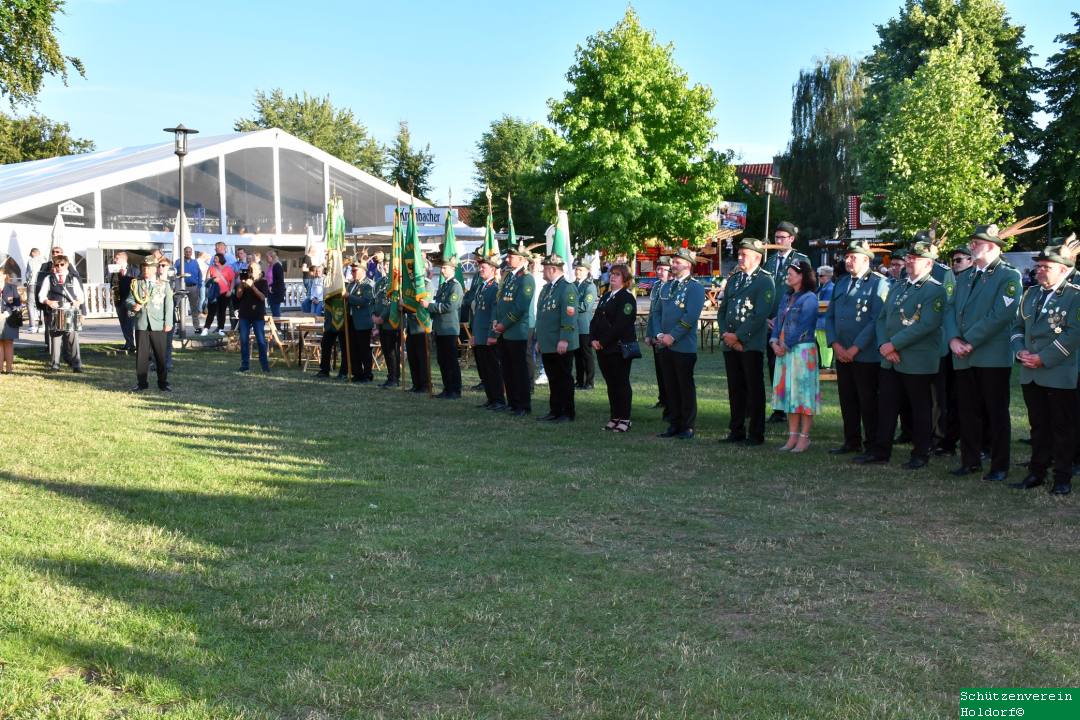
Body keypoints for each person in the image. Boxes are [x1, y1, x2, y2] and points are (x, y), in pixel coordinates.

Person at [854, 236, 947, 469]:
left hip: (917, 359)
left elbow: (927, 324)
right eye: (909, 257)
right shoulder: (898, 286)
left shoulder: (934, 290)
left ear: (929, 263)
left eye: (915, 258)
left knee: (919, 408)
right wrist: (885, 346)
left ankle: (920, 453)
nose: (909, 261)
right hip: (890, 358)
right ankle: (880, 451)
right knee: (886, 406)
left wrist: (893, 344)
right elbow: (882, 319)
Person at [944, 223, 1024, 482]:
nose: (971, 246)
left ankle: (999, 465)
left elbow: (1002, 315)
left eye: (976, 243)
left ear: (991, 246)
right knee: (968, 411)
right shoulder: (965, 276)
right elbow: (950, 309)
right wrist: (953, 339)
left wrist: (968, 340)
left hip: (991, 356)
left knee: (995, 412)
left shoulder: (1008, 276)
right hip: (963, 355)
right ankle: (970, 461)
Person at [1008, 238, 1080, 496]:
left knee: (1063, 427)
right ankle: (1036, 472)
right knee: (1038, 426)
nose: (1039, 270)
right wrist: (1020, 351)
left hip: (1058, 372)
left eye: (1046, 267)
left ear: (1063, 269)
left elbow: (1074, 334)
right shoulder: (1031, 294)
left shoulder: (1075, 295)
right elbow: (1017, 326)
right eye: (1038, 266)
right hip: (1031, 372)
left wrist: (1043, 358)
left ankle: (1062, 477)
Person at [824, 240, 890, 455]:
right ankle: (851, 441)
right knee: (847, 399)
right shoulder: (841, 282)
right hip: (841, 352)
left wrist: (855, 348)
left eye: (853, 257)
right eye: (847, 257)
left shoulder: (879, 283)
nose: (848, 261)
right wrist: (835, 344)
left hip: (866, 355)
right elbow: (830, 316)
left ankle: (872, 444)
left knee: (868, 401)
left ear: (866, 260)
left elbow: (876, 320)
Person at [718, 239, 774, 446]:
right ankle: (736, 430)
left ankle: (756, 434)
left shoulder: (765, 280)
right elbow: (723, 310)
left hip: (750, 344)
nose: (740, 258)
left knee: (754, 389)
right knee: (735, 388)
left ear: (757, 258)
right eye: (739, 254)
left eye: (744, 255)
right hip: (731, 343)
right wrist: (726, 335)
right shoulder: (734, 279)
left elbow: (760, 314)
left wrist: (739, 337)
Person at [770, 260, 821, 453]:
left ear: (801, 276)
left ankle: (804, 437)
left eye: (791, 273)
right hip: (784, 351)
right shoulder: (786, 297)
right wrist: (774, 342)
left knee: (803, 395)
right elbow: (778, 322)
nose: (788, 276)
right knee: (789, 394)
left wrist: (785, 344)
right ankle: (792, 436)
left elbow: (804, 326)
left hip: (802, 352)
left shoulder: (810, 298)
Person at [763, 221, 810, 424]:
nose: (778, 241)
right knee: (773, 364)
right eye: (776, 237)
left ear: (791, 239)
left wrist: (784, 317)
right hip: (770, 323)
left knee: (790, 366)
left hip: (790, 322)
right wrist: (766, 317)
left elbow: (806, 291)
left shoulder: (801, 260)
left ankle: (792, 406)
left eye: (782, 237)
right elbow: (765, 291)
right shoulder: (770, 261)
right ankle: (779, 408)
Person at [656, 248, 705, 439]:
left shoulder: (695, 287)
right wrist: (659, 334)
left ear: (688, 265)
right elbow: (656, 312)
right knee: (670, 386)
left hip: (683, 346)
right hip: (664, 344)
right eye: (673, 262)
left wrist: (673, 336)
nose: (673, 265)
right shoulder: (666, 287)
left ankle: (687, 426)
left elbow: (691, 316)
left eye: (677, 262)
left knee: (685, 387)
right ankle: (674, 423)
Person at [590, 263, 638, 432]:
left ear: (625, 279)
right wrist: (592, 338)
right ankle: (615, 417)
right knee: (611, 384)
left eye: (617, 274)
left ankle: (625, 419)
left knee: (621, 383)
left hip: (617, 348)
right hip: (603, 348)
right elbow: (596, 319)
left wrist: (602, 341)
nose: (613, 277)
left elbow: (621, 325)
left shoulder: (627, 298)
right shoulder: (606, 296)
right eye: (612, 274)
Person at [490, 242, 535, 416]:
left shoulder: (526, 278)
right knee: (507, 368)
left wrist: (504, 324)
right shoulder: (509, 276)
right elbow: (501, 301)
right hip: (504, 330)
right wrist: (497, 321)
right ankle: (513, 402)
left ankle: (523, 405)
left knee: (519, 370)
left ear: (522, 259)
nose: (508, 259)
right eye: (508, 256)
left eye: (511, 257)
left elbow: (520, 307)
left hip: (516, 331)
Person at [534, 254, 579, 422]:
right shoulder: (547, 289)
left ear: (553, 269)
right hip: (548, 342)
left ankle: (567, 412)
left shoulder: (567, 288)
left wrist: (564, 339)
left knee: (563, 378)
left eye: (544, 268)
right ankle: (555, 410)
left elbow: (569, 316)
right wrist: (540, 339)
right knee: (553, 378)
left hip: (560, 342)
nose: (542, 271)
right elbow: (542, 316)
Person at [127, 256, 173, 391]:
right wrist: (133, 305)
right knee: (141, 356)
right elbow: (128, 299)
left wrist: (168, 322)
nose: (146, 270)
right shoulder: (137, 283)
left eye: (149, 267)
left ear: (155, 269)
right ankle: (142, 383)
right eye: (144, 267)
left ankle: (163, 383)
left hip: (158, 324)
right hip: (142, 323)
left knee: (160, 355)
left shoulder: (164, 284)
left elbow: (168, 305)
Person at [471, 251, 505, 410]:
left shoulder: (495, 288)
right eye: (480, 267)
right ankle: (491, 398)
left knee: (492, 369)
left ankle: (498, 399)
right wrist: (474, 335)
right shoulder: (482, 287)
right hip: (479, 334)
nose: (480, 270)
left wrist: (492, 335)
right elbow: (477, 313)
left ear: (493, 269)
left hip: (488, 335)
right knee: (484, 369)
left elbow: (494, 314)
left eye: (483, 267)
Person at [38, 254, 84, 373]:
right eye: (56, 265)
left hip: (70, 311)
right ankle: (55, 365)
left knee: (73, 338)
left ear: (67, 265)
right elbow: (41, 296)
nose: (59, 267)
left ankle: (76, 365)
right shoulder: (49, 279)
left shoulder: (73, 279)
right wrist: (48, 302)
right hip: (55, 311)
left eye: (62, 264)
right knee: (55, 339)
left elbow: (81, 296)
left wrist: (78, 302)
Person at [427, 255, 464, 399]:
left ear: (452, 269)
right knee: (442, 360)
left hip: (449, 329)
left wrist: (430, 306)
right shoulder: (444, 285)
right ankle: (447, 388)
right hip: (440, 328)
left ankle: (455, 390)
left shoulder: (455, 286)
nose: (442, 270)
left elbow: (450, 306)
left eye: (445, 268)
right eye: (441, 268)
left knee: (451, 360)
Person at [645, 257, 672, 416]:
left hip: (666, 335)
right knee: (659, 369)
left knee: (667, 370)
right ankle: (662, 398)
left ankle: (669, 400)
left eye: (664, 269)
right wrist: (649, 334)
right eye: (658, 269)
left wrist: (661, 334)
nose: (660, 272)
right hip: (655, 334)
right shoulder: (656, 286)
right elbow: (652, 312)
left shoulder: (671, 287)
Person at [235, 262, 270, 373]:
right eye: (249, 269)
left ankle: (264, 365)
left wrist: (253, 286)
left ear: (259, 271)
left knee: (260, 340)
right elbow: (238, 295)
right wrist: (242, 284)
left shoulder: (263, 282)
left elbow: (262, 297)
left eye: (253, 269)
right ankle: (245, 365)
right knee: (244, 340)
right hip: (244, 313)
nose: (250, 271)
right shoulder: (245, 281)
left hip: (257, 314)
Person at [371, 256, 401, 388]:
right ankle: (390, 376)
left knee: (392, 352)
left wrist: (382, 317)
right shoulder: (380, 282)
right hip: (381, 323)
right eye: (385, 264)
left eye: (389, 265)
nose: (386, 267)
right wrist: (374, 315)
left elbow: (393, 303)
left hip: (391, 322)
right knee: (386, 351)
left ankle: (394, 378)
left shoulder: (397, 282)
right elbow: (375, 301)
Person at [344, 261, 375, 383]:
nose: (352, 273)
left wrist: (348, 297)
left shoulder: (368, 284)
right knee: (353, 348)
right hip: (351, 320)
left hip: (363, 321)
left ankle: (367, 374)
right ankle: (357, 373)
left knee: (364, 349)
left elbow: (365, 301)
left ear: (363, 270)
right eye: (351, 271)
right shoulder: (351, 285)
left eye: (355, 271)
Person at [572, 259, 598, 390]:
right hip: (574, 326)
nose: (578, 272)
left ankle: (589, 381)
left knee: (586, 355)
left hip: (584, 327)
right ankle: (579, 380)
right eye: (576, 269)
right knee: (577, 355)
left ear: (587, 271)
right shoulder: (573, 285)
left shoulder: (590, 286)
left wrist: (569, 307)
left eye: (581, 270)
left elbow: (585, 306)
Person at [110, 251, 140, 353]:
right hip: (119, 300)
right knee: (123, 323)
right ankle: (128, 343)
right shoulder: (115, 271)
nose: (115, 260)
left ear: (123, 259)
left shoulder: (134, 270)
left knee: (130, 323)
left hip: (130, 301)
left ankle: (133, 344)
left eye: (117, 258)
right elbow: (113, 284)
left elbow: (138, 285)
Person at [202, 253, 234, 335]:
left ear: (220, 259)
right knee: (211, 312)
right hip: (214, 293)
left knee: (222, 312)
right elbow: (206, 281)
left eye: (216, 258)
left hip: (224, 293)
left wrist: (230, 291)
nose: (214, 260)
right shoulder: (211, 268)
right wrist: (212, 280)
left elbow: (232, 280)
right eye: (214, 258)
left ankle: (221, 328)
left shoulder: (228, 269)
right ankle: (206, 328)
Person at [174, 245, 203, 336]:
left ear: (191, 253)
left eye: (189, 252)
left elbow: (199, 274)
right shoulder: (179, 262)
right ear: (183, 252)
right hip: (182, 286)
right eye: (186, 251)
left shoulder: (195, 262)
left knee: (194, 308)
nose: (188, 253)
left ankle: (197, 327)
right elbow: (174, 273)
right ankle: (180, 327)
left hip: (193, 287)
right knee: (179, 307)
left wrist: (199, 285)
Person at [1, 267, 22, 373]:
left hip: (10, 319)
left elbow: (18, 304)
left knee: (9, 342)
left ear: (5, 275)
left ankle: (9, 369)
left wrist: (7, 312)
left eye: (0, 274)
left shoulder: (12, 287)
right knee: (0, 343)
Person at [815, 265, 834, 369]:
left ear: (827, 276)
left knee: (826, 344)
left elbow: (824, 307)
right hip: (820, 321)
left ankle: (826, 365)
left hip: (824, 321)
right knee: (822, 343)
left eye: (821, 275)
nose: (819, 277)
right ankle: (824, 364)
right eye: (818, 275)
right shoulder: (822, 287)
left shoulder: (829, 288)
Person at [24, 248, 45, 333]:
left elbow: (29, 273)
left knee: (30, 304)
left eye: (31, 253)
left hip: (32, 284)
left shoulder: (31, 261)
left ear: (33, 253)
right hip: (42, 284)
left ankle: (32, 326)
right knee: (41, 304)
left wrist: (27, 281)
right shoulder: (44, 261)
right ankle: (42, 325)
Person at [265, 250, 286, 319]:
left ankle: (278, 325)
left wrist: (272, 287)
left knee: (276, 311)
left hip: (275, 292)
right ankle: (276, 324)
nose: (266, 258)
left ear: (272, 257)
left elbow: (280, 280)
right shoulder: (270, 266)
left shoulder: (277, 266)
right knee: (273, 311)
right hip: (270, 291)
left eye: (267, 257)